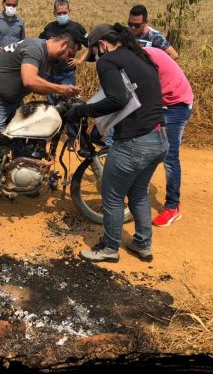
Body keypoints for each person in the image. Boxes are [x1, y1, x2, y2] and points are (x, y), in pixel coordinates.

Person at [63, 23, 167, 263]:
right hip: (159, 139)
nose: (93, 56)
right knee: (138, 193)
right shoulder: (138, 56)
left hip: (134, 142)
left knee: (112, 195)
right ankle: (142, 244)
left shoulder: (107, 61)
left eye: (93, 51)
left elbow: (116, 100)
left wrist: (83, 110)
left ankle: (109, 248)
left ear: (102, 44)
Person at [0, 32, 81, 165]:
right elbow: (30, 81)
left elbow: (41, 82)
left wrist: (61, 93)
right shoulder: (35, 48)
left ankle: (18, 171)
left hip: (13, 98)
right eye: (69, 54)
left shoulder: (47, 56)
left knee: (20, 135)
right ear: (63, 44)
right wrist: (61, 89)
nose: (67, 59)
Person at [134, 37, 194, 227]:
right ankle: (136, 192)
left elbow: (140, 95)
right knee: (145, 145)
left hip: (176, 105)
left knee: (169, 155)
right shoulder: (141, 55)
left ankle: (172, 207)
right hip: (163, 102)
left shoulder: (144, 61)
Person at [38, 0, 89, 106]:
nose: (62, 15)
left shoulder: (76, 28)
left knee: (67, 104)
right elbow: (40, 44)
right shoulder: (49, 28)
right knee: (52, 104)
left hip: (67, 74)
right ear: (54, 13)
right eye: (59, 13)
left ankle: (69, 123)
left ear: (69, 11)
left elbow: (91, 45)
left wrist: (80, 60)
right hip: (50, 73)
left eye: (64, 12)